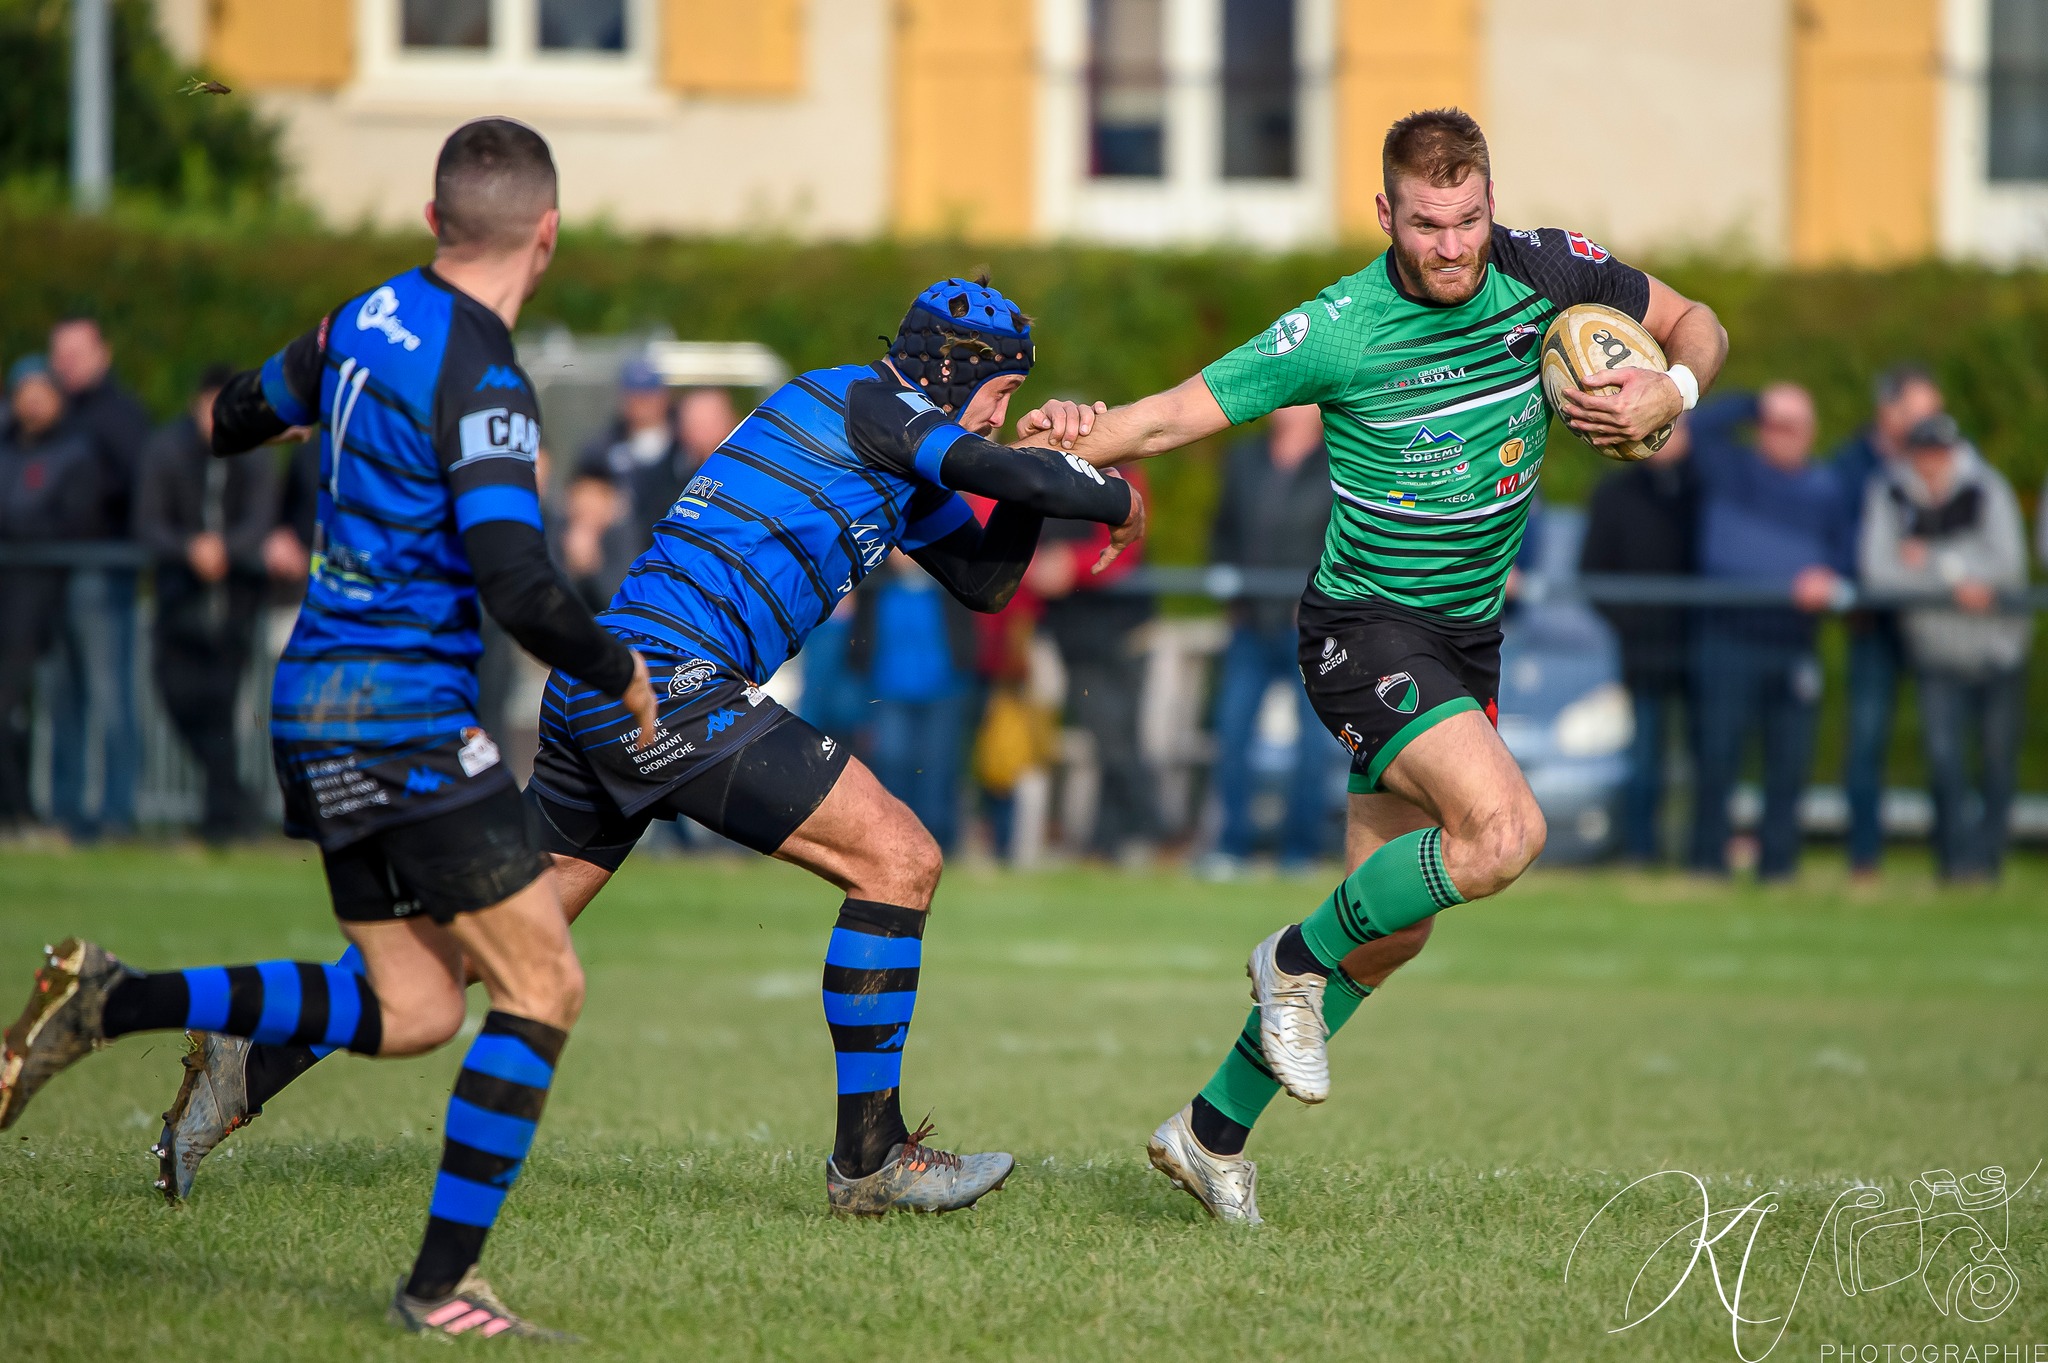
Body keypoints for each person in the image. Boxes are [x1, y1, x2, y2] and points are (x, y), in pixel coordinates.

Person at [151, 277, 1146, 1224]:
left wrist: (1043, 474)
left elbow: (983, 580)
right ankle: (871, 1159)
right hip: (667, 684)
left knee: (477, 948)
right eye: (998, 394)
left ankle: (252, 1052)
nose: (995, 414)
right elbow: (995, 465)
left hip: (609, 690)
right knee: (898, 858)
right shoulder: (869, 401)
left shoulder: (895, 445)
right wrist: (1099, 474)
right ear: (948, 376)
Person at [0, 119, 661, 1340]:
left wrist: (319, 430)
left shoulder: (363, 320)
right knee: (544, 983)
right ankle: (438, 1289)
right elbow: (518, 582)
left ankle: (115, 999)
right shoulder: (487, 381)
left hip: (307, 704)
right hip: (403, 712)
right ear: (548, 234)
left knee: (413, 1009)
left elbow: (238, 411)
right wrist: (617, 667)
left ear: (431, 222)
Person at [1020, 108, 1726, 1221]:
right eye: (1427, 223)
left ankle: (1207, 1134)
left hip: (1464, 638)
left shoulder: (1546, 271)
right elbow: (1161, 420)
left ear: (1490, 206)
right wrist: (1040, 440)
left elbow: (1695, 323)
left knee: (1391, 926)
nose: (1452, 246)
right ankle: (1288, 958)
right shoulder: (1338, 327)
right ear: (1384, 214)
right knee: (1504, 836)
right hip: (1362, 631)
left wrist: (1667, 392)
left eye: (1468, 220)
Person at [1686, 384, 1847, 880]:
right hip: (1728, 636)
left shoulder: (1826, 488)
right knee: (1717, 756)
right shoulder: (1733, 470)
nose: (1785, 435)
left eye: (1795, 426)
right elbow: (1691, 424)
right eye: (1776, 425)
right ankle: (1707, 863)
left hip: (1792, 640)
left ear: (1812, 433)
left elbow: (1846, 553)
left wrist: (1832, 578)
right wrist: (1755, 403)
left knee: (1788, 760)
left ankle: (1779, 866)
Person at [1861, 414, 2031, 881]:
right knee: (1944, 761)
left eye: (1942, 454)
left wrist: (1930, 564)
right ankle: (1955, 864)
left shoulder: (1986, 489)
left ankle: (1988, 862)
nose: (1934, 464)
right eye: (1926, 454)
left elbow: (2007, 566)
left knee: (1997, 761)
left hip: (1999, 650)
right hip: (1935, 652)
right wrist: (1957, 578)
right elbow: (1879, 573)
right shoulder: (1891, 493)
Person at [134, 365, 280, 844]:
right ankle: (236, 802)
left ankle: (223, 821)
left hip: (235, 604)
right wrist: (190, 550)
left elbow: (260, 517)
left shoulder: (255, 456)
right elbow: (149, 522)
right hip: (179, 602)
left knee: (222, 709)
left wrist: (226, 550)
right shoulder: (166, 450)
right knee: (176, 696)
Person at [1202, 403, 1336, 876]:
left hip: (1313, 629)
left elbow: (1349, 538)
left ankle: (1300, 850)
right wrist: (1229, 592)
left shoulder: (1342, 458)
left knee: (1314, 743)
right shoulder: (1244, 458)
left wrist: (1321, 598)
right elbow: (1221, 530)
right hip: (1250, 625)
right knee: (1231, 731)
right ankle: (1230, 845)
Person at [1829, 365, 1945, 877]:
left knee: (1944, 740)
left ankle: (1956, 860)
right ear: (1888, 410)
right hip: (1872, 623)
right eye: (1918, 413)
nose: (1928, 425)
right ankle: (1864, 858)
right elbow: (1836, 537)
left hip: (1933, 621)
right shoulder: (1850, 465)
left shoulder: (1943, 458)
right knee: (1867, 739)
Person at [47, 315, 151, 841]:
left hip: (103, 570)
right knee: (63, 698)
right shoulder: (53, 414)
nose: (65, 364)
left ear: (102, 354)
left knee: (110, 697)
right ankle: (66, 811)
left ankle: (115, 811)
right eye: (58, 354)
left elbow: (139, 494)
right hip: (54, 571)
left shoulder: (120, 417)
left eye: (76, 353)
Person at [1578, 413, 1698, 863]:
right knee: (1643, 759)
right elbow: (1593, 574)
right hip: (1642, 652)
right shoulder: (1615, 494)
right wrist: (1633, 623)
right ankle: (1640, 851)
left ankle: (1698, 856)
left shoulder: (1704, 491)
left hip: (1701, 648)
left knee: (1703, 759)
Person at [1030, 468, 1158, 862]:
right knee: (1112, 741)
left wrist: (1072, 564)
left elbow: (1127, 547)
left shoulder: (1124, 475)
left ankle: (1142, 832)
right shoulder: (1043, 480)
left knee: (1117, 742)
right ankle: (1127, 837)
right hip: (1077, 636)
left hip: (1122, 632)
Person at [0, 358, 101, 830]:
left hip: (54, 601)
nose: (32, 401)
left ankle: (47, 811)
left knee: (52, 706)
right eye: (25, 390)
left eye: (42, 390)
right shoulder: (7, 450)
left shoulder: (74, 454)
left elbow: (75, 522)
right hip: (12, 599)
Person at [850, 551, 975, 852]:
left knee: (938, 768)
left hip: (943, 690)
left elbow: (968, 639)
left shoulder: (953, 587)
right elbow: (858, 642)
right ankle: (895, 839)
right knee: (893, 763)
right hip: (889, 690)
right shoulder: (873, 586)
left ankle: (941, 842)